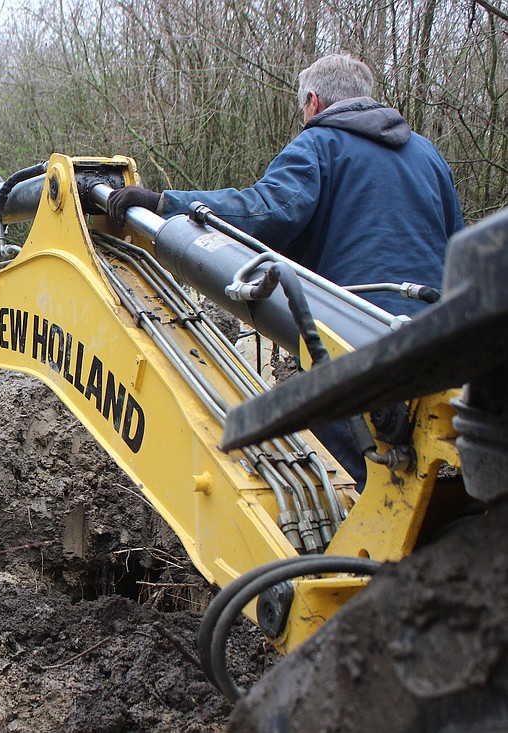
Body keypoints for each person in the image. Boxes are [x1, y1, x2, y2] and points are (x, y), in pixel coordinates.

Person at [107, 53, 465, 487]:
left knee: (364, 477)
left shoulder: (320, 146)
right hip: (437, 347)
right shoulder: (428, 156)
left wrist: (167, 206)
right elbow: (457, 253)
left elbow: (264, 214)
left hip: (352, 345)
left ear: (313, 102)